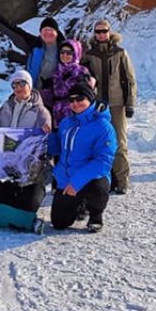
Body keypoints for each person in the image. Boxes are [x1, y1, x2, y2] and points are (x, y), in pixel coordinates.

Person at [0, 69, 52, 212]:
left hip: (29, 163)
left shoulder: (40, 110)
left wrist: (46, 127)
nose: (18, 88)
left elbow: (45, 134)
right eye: (14, 85)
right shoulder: (6, 106)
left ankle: (33, 192)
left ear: (29, 85)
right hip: (8, 157)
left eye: (22, 84)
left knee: (29, 205)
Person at [47, 81, 115, 233]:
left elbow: (103, 161)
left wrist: (77, 182)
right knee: (59, 223)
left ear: (90, 99)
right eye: (71, 100)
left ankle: (96, 214)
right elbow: (59, 149)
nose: (75, 103)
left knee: (99, 187)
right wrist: (49, 136)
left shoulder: (103, 126)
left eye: (80, 99)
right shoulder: (66, 123)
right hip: (67, 178)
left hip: (90, 178)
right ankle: (80, 204)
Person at [81, 19, 137, 195]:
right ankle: (104, 179)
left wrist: (130, 103)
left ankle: (122, 180)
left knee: (119, 143)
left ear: (109, 32)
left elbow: (129, 79)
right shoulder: (89, 54)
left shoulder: (120, 52)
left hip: (116, 103)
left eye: (104, 31)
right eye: (98, 32)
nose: (101, 35)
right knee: (98, 143)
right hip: (97, 105)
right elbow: (83, 77)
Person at [0, 9, 64, 102]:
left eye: (51, 30)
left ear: (57, 32)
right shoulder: (35, 45)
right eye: (44, 30)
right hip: (32, 95)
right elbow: (12, 31)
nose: (47, 33)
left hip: (56, 98)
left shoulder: (65, 48)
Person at [48, 39, 93, 125]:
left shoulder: (81, 72)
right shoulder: (56, 72)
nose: (65, 55)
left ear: (75, 54)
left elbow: (87, 96)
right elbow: (53, 96)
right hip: (57, 115)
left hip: (75, 114)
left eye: (69, 53)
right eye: (62, 52)